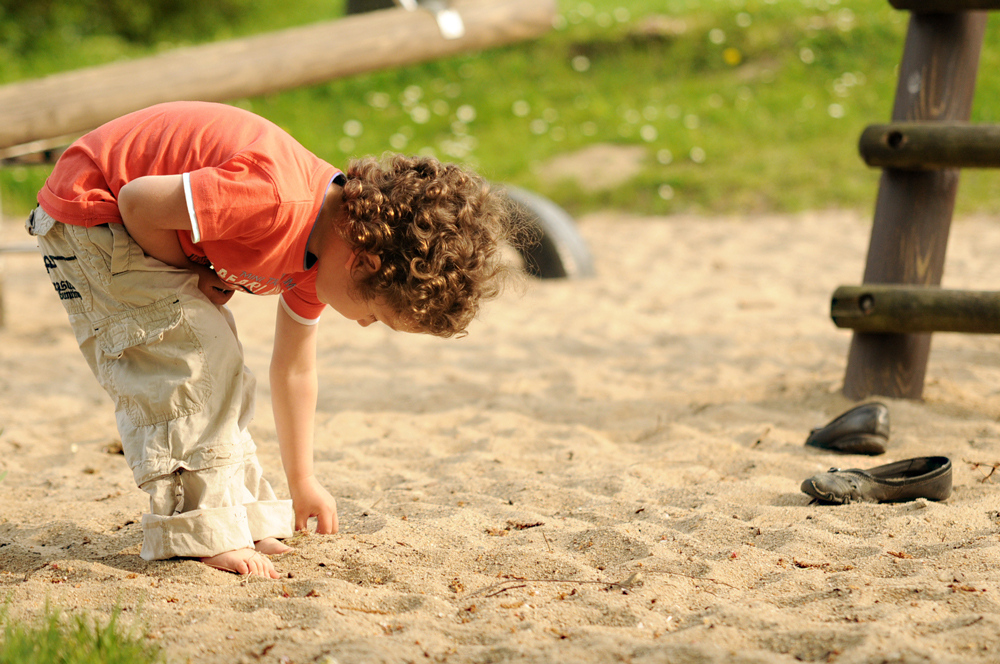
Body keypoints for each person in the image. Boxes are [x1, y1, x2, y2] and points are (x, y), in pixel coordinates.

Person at [27, 100, 517, 578]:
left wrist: (303, 480)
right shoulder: (274, 201)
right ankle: (200, 529)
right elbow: (137, 203)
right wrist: (187, 269)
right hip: (91, 208)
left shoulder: (325, 254)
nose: (364, 324)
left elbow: (295, 370)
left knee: (220, 357)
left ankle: (240, 513)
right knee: (195, 356)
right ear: (362, 263)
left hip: (129, 216)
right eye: (374, 315)